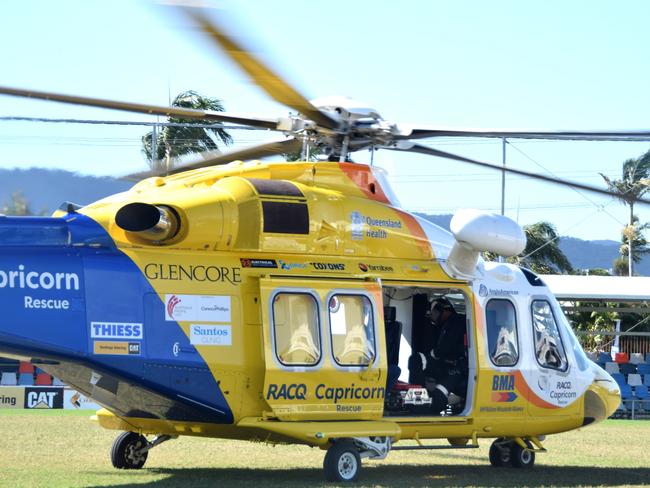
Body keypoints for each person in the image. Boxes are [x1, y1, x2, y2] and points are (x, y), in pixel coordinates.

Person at [408, 297, 467, 414]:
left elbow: (443, 349)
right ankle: (416, 401)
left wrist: (431, 356)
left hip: (458, 368)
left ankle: (426, 411)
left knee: (439, 393)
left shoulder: (456, 321)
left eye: (435, 312)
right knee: (416, 359)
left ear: (445, 310)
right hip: (445, 364)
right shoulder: (443, 325)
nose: (433, 316)